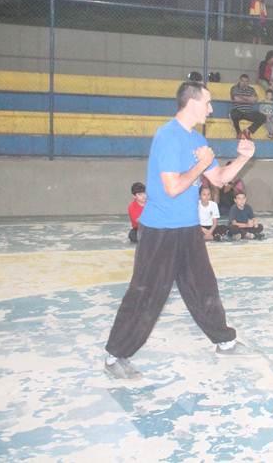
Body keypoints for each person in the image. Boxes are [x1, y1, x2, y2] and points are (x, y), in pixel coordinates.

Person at [103, 81, 256, 380]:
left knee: (204, 287)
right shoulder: (168, 137)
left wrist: (243, 158)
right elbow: (172, 187)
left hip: (187, 230)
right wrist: (202, 165)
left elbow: (220, 178)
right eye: (208, 103)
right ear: (192, 103)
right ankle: (115, 355)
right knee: (146, 294)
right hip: (160, 231)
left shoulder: (196, 138)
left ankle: (224, 340)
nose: (212, 109)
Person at [229, 74, 266, 139]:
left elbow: (255, 100)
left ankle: (247, 131)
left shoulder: (251, 89)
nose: (244, 83)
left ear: (248, 82)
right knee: (233, 113)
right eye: (242, 81)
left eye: (246, 81)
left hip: (249, 112)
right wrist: (249, 98)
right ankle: (239, 133)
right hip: (238, 111)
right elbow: (236, 99)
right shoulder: (234, 88)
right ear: (239, 81)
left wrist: (241, 97)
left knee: (263, 117)